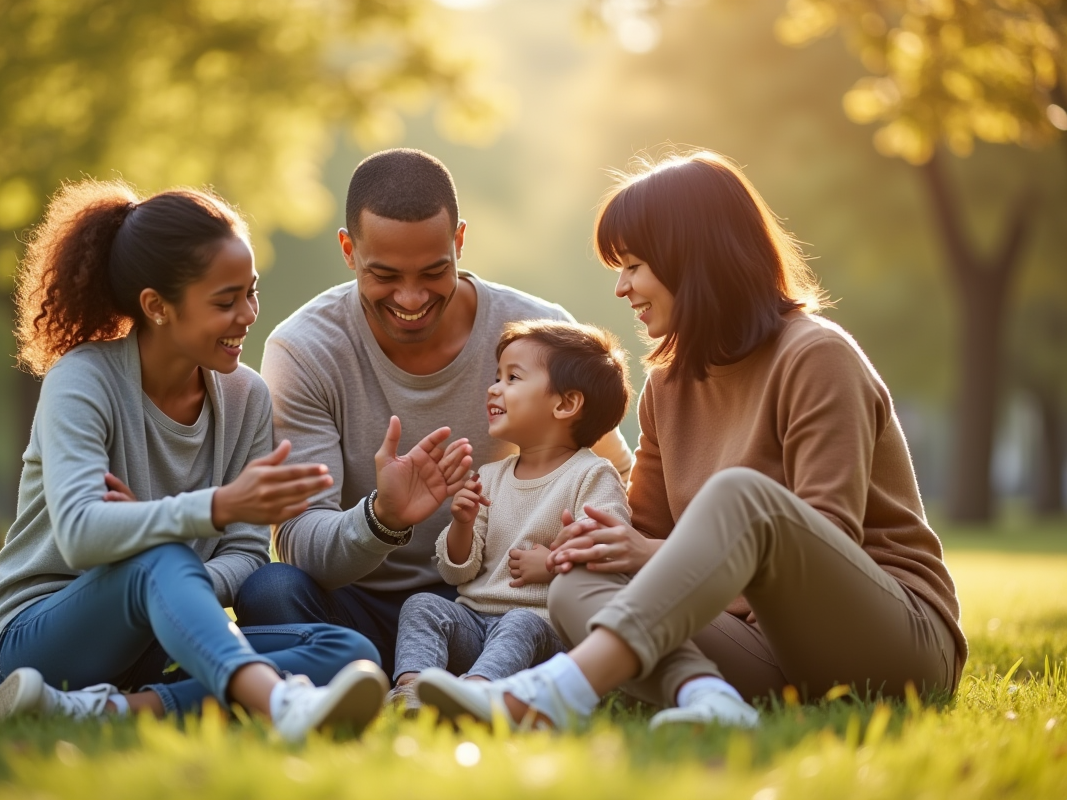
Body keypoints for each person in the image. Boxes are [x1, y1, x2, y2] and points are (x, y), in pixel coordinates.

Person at [413, 150, 968, 731]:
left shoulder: (815, 356)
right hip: (767, 652)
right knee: (577, 587)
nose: (623, 287)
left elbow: (825, 540)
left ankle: (557, 691)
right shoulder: (668, 388)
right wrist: (590, 547)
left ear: (694, 259)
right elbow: (644, 539)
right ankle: (708, 696)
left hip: (889, 645)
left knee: (740, 497)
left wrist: (647, 554)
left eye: (633, 265)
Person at [0, 180, 395, 741]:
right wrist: (212, 511)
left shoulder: (247, 397)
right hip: (40, 639)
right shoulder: (83, 380)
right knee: (156, 560)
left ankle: (113, 711)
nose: (247, 314)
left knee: (348, 653)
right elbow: (80, 534)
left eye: (251, 292)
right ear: (157, 306)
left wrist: (172, 585)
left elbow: (247, 555)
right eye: (225, 301)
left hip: (156, 639)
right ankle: (277, 704)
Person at [234, 149, 634, 678]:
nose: (411, 297)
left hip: (490, 604)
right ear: (349, 250)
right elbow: (299, 541)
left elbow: (615, 473)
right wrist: (383, 519)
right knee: (271, 591)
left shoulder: (537, 334)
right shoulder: (305, 349)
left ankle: (396, 673)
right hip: (358, 607)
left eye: (434, 270)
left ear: (459, 242)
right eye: (384, 274)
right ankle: (383, 669)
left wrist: (567, 555)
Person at [390, 320, 632, 710]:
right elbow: (457, 573)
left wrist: (554, 564)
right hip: (476, 623)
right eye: (497, 376)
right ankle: (412, 691)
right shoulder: (490, 476)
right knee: (423, 605)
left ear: (565, 404)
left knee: (521, 623)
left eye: (512, 377)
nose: (494, 388)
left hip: (545, 635)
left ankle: (478, 696)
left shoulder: (592, 474)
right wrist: (462, 526)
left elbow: (613, 555)